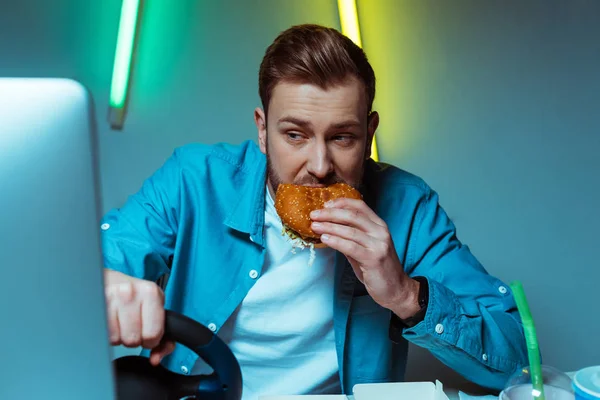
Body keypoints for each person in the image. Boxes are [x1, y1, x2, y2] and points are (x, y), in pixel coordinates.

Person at [101, 24, 527, 399]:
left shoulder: (408, 206)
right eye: (295, 135)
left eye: (342, 138)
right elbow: (84, 273)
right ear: (262, 130)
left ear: (370, 133)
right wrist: (109, 284)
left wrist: (404, 294)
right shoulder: (193, 181)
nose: (320, 166)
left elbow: (518, 363)